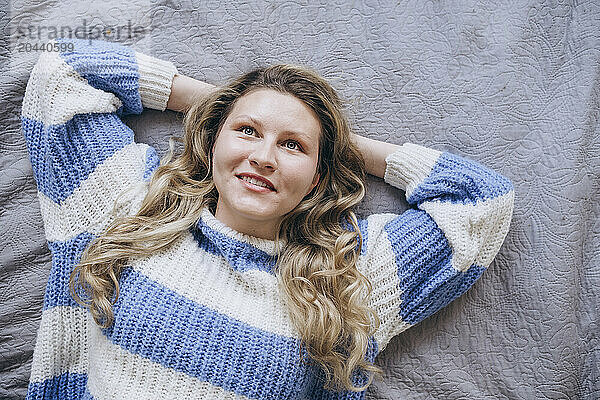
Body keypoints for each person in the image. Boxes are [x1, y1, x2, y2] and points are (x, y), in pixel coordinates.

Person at [21, 37, 514, 400]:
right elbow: (63, 76)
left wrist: (345, 149)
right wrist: (218, 103)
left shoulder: (351, 274)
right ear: (212, 141)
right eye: (247, 131)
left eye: (292, 146)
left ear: (319, 178)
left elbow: (480, 203)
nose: (263, 156)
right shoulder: (133, 200)